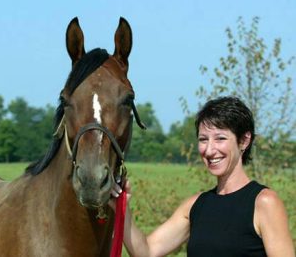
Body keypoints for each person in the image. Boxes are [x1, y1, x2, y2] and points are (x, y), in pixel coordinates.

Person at [110, 96, 295, 257]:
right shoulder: (195, 205)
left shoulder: (264, 202)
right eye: (203, 139)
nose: (209, 150)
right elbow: (146, 251)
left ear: (244, 140)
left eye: (220, 138)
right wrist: (122, 206)